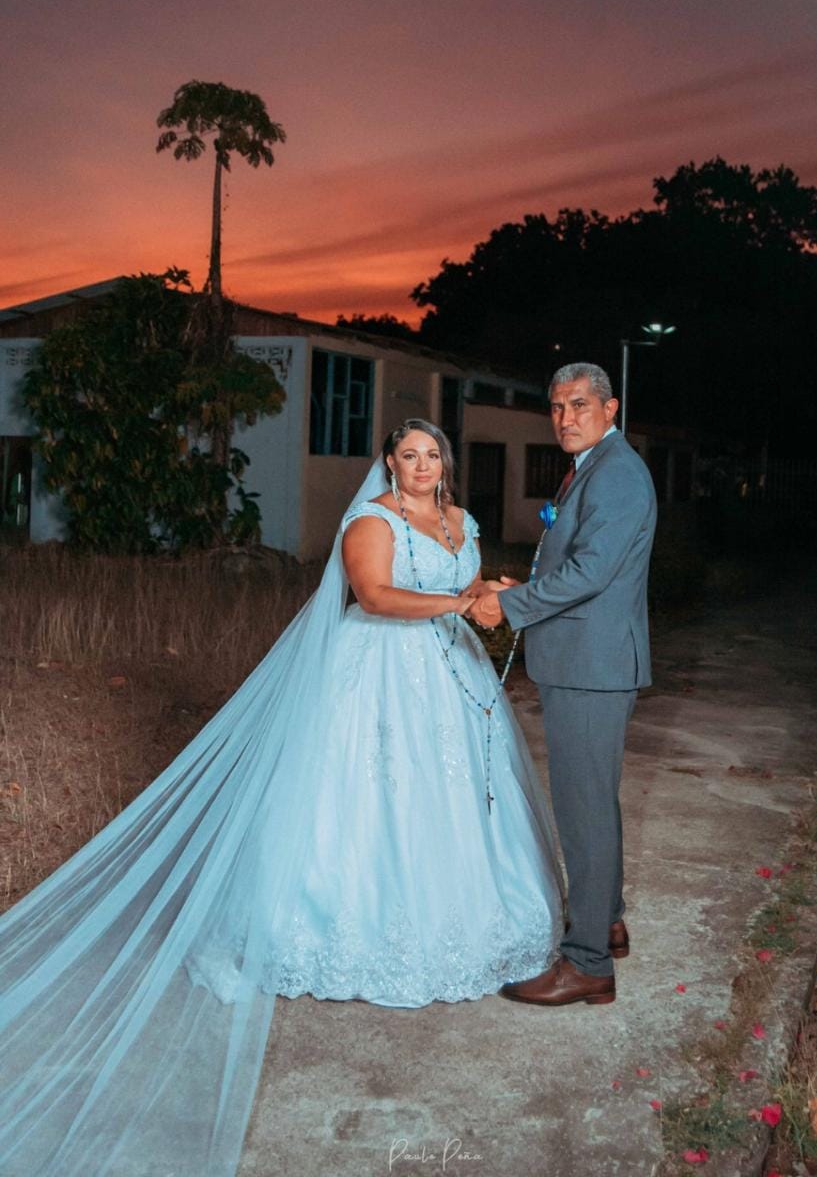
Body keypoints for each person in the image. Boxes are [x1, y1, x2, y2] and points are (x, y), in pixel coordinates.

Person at [0, 418, 562, 1177]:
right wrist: (458, 606)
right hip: (379, 673)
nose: (423, 465)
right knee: (368, 796)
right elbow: (375, 596)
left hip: (447, 673)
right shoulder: (371, 521)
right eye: (409, 455)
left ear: (445, 463)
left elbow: (464, 589)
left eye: (433, 455)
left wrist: (489, 593)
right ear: (389, 463)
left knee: (454, 797)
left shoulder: (461, 520)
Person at [469, 362, 656, 1006]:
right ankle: (607, 922)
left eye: (579, 405)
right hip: (584, 658)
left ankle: (587, 965)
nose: (565, 418)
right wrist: (527, 588)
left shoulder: (618, 472)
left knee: (583, 809)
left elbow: (593, 572)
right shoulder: (594, 466)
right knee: (593, 801)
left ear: (610, 408)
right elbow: (583, 564)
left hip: (591, 666)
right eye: (556, 407)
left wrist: (510, 606)